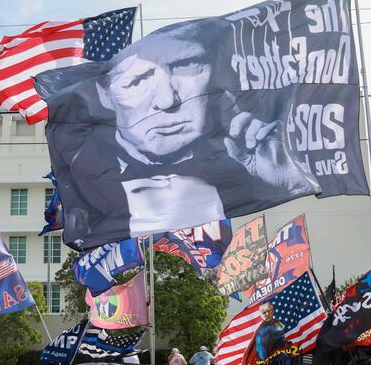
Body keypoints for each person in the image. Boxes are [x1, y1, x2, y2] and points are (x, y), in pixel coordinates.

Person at [38, 19, 321, 249]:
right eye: (138, 80)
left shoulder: (252, 156)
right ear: (106, 95)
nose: (169, 100)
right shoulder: (91, 181)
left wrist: (288, 180)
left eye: (186, 66)